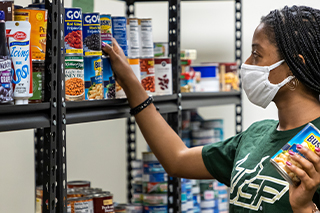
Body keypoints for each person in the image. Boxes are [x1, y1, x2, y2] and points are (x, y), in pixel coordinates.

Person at [102, 5, 320, 213]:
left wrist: (303, 208)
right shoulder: (256, 136)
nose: (246, 63)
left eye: (256, 54)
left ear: (294, 65)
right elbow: (177, 159)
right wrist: (131, 83)